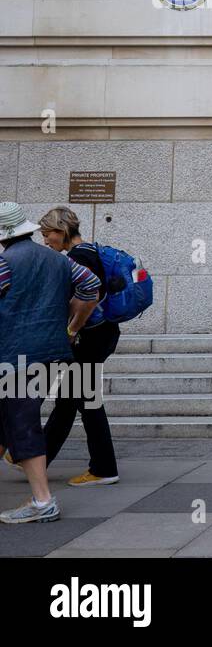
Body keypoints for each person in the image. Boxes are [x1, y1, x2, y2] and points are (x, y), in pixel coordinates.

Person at [0, 203, 101, 524]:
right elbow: (91, 289)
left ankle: (43, 502)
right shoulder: (61, 261)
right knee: (17, 422)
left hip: (14, 358)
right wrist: (70, 328)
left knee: (22, 425)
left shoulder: (4, 263)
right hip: (52, 354)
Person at [37, 207, 122, 486]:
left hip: (89, 338)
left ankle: (103, 468)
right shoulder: (90, 250)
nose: (46, 240)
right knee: (71, 399)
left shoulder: (78, 257)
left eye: (47, 234)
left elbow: (89, 297)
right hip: (101, 335)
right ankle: (35, 458)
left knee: (87, 402)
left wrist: (71, 330)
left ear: (61, 231)